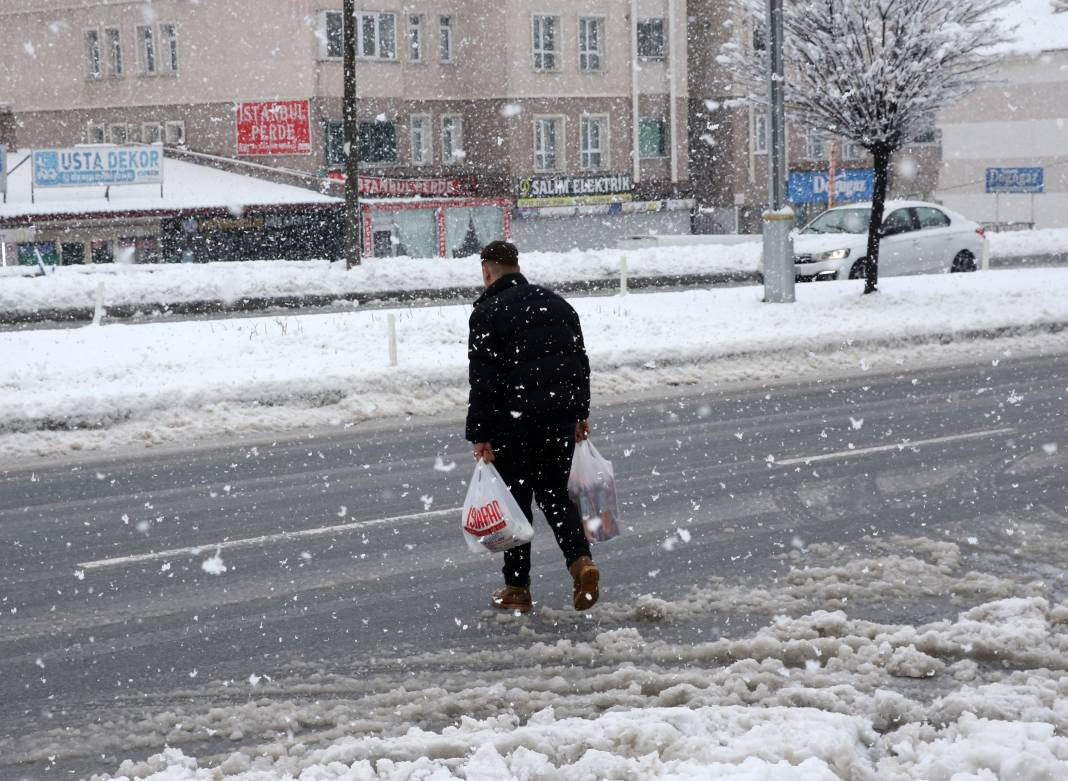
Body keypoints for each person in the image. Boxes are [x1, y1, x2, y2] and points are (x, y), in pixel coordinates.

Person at [466, 240, 600, 613]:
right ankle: (580, 563)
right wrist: (579, 414)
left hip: (514, 422)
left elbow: (484, 380)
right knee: (557, 495)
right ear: (517, 267)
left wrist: (480, 433)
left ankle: (517, 589)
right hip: (557, 420)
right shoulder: (557, 305)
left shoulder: (488, 312)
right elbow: (579, 363)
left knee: (516, 503)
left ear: (487, 271)